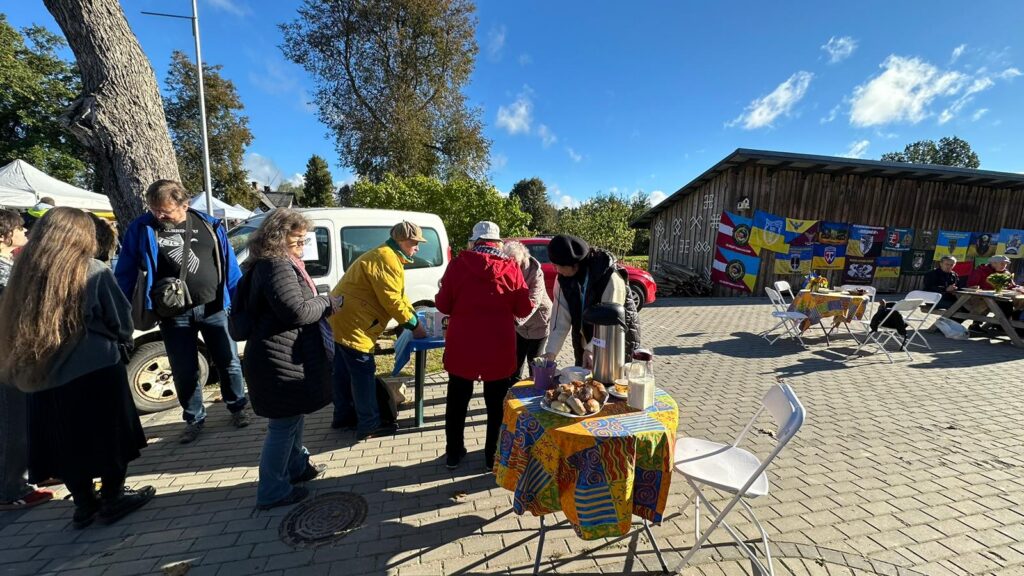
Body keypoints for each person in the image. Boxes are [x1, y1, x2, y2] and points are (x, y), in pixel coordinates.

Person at [0, 208, 154, 528]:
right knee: (111, 439)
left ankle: (84, 504)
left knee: (65, 444)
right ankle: (113, 497)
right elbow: (121, 321)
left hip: (42, 377)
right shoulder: (91, 269)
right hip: (95, 368)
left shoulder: (20, 274)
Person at [114, 180, 249, 444]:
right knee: (184, 368)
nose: (159, 216)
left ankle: (238, 408)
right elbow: (126, 270)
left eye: (165, 211)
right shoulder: (142, 228)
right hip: (172, 313)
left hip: (214, 307)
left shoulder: (210, 224)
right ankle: (194, 418)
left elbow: (230, 265)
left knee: (229, 361)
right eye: (155, 210)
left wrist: (240, 300)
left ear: (184, 204)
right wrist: (122, 305)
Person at [239, 209, 338, 510]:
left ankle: (297, 467)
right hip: (278, 359)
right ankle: (272, 490)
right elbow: (296, 311)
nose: (303, 247)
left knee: (292, 418)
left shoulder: (263, 264)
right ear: (278, 239)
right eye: (298, 241)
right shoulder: (277, 266)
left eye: (304, 240)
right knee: (282, 426)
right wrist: (329, 301)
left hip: (277, 355)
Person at [436, 221, 532, 471]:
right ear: (498, 243)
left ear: (475, 241)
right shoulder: (511, 268)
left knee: (457, 401)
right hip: (498, 347)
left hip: (462, 346)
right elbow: (523, 308)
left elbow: (443, 305)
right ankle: (492, 457)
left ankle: (454, 454)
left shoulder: (457, 265)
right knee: (496, 406)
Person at [329, 221, 428, 440]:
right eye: (415, 242)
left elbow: (398, 295)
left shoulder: (386, 255)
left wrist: (412, 313)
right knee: (362, 374)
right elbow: (392, 301)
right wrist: (415, 325)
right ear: (402, 240)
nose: (417, 248)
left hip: (342, 320)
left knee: (343, 373)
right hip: (354, 325)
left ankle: (343, 416)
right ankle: (369, 425)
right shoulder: (386, 258)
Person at [0, 209, 53, 511]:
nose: (24, 232)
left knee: (24, 419)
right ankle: (10, 489)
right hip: (6, 356)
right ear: (3, 234)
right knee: (12, 423)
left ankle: (31, 473)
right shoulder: (2, 271)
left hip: (16, 353)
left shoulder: (9, 263)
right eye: (18, 228)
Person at [542, 235, 641, 368]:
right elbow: (559, 319)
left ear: (574, 264)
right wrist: (551, 353)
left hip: (616, 342)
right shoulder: (563, 279)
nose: (556, 270)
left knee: (609, 383)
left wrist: (591, 349)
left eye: (557, 265)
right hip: (586, 343)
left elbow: (610, 323)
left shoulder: (610, 277)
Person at [502, 240, 552, 380]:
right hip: (519, 326)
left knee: (534, 363)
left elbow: (533, 301)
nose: (511, 266)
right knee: (515, 363)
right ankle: (511, 393)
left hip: (539, 322)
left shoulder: (536, 272)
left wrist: (515, 321)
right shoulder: (508, 269)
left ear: (523, 258)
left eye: (515, 262)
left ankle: (535, 392)